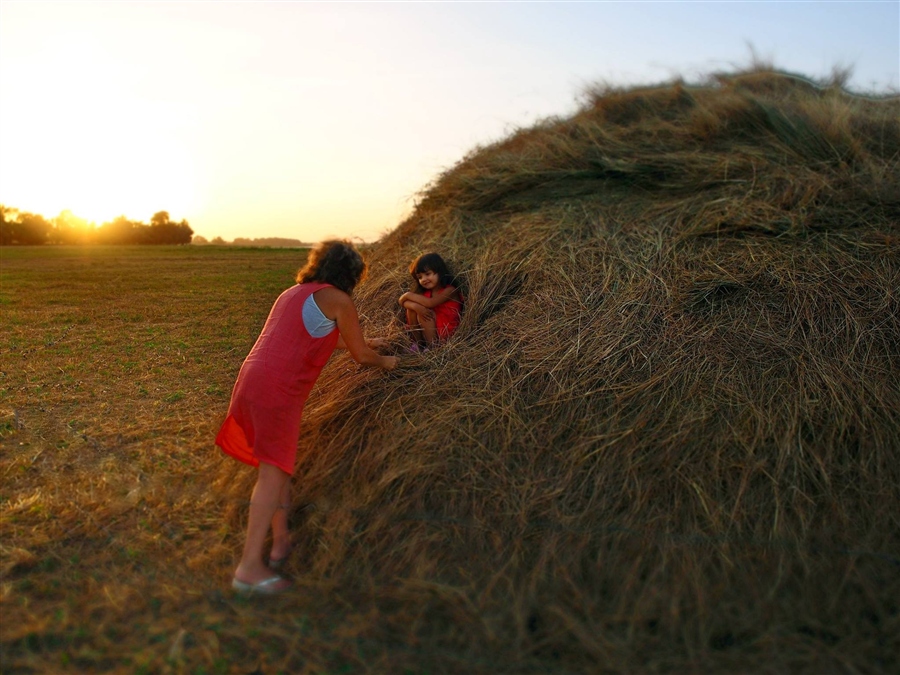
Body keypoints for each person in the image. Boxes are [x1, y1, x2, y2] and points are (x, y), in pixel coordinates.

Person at [216, 239, 398, 594]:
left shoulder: (293, 292)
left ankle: (281, 542)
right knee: (272, 474)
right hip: (277, 392)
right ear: (350, 274)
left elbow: (324, 337)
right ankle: (249, 568)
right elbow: (361, 356)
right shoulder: (338, 299)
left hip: (251, 380)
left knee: (277, 466)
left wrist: (368, 341)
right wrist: (388, 360)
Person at [398, 252, 464, 349]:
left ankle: (432, 349)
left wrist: (407, 295)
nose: (423, 279)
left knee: (425, 312)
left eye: (427, 274)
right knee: (412, 309)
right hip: (431, 330)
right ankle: (418, 345)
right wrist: (416, 307)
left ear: (439, 272)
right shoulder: (426, 293)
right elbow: (402, 302)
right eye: (420, 277)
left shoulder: (450, 290)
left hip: (446, 331)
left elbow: (430, 303)